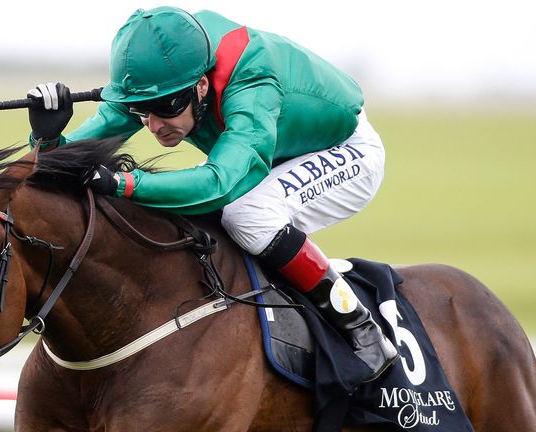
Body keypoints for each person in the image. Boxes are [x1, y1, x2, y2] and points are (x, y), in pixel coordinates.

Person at [26, 6, 398, 381]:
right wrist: (47, 139)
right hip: (273, 146)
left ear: (202, 86)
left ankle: (361, 328)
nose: (153, 125)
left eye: (164, 108)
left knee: (247, 215)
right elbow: (65, 163)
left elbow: (219, 183)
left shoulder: (252, 82)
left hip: (344, 149)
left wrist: (122, 182)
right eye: (140, 111)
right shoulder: (163, 78)